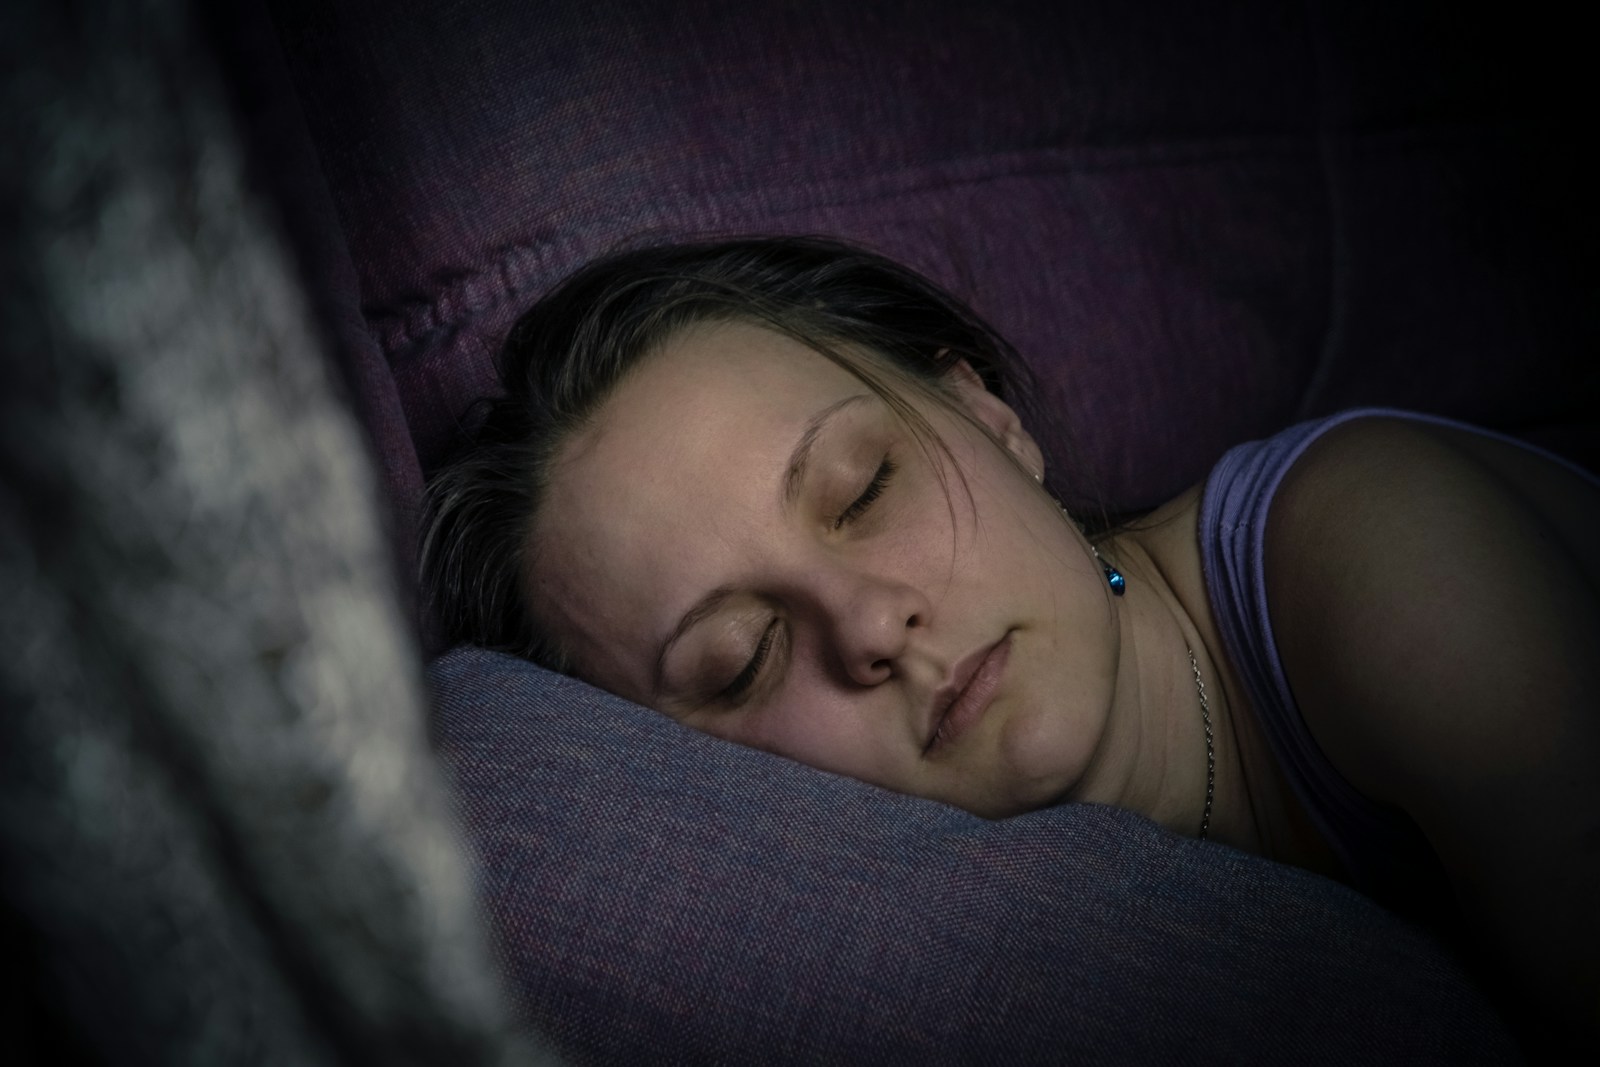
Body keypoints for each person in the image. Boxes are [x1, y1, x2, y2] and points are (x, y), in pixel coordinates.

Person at [421, 236, 1598, 1046]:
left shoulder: (1377, 542)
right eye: (742, 658)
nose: (874, 623)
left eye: (865, 485)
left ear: (988, 415)